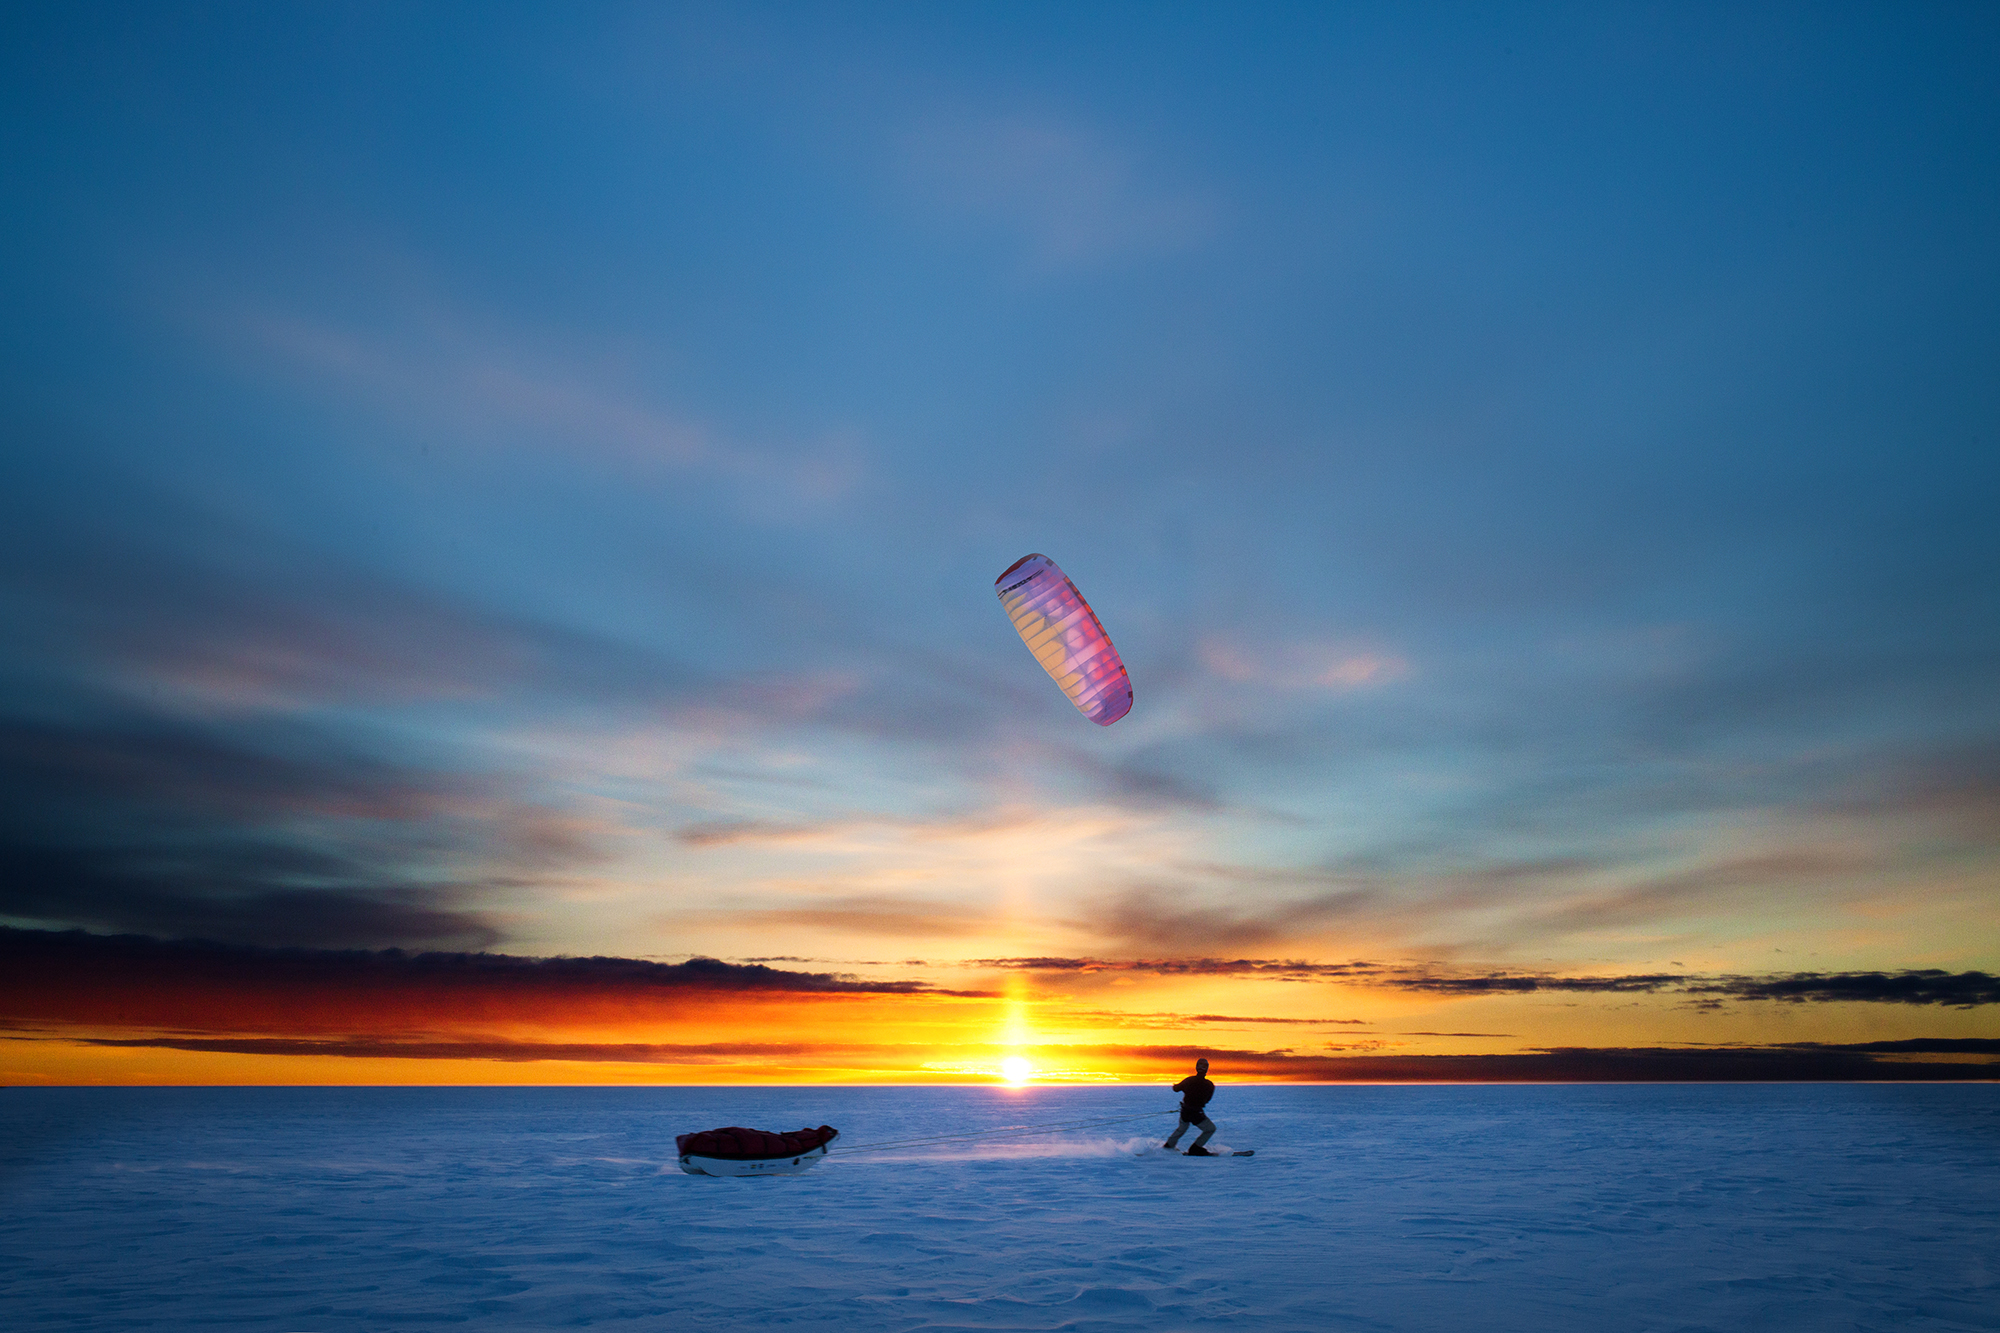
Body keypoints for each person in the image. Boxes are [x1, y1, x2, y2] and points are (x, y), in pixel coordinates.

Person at [1163, 1057, 1217, 1155]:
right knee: (1210, 1129)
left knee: (1182, 1128)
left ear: (1196, 1068)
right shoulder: (1209, 1085)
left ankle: (1168, 1147)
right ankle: (1195, 1148)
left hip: (1185, 1111)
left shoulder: (1189, 1080)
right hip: (1196, 1113)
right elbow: (1207, 1100)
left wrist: (1177, 1085)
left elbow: (1176, 1089)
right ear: (1207, 1069)